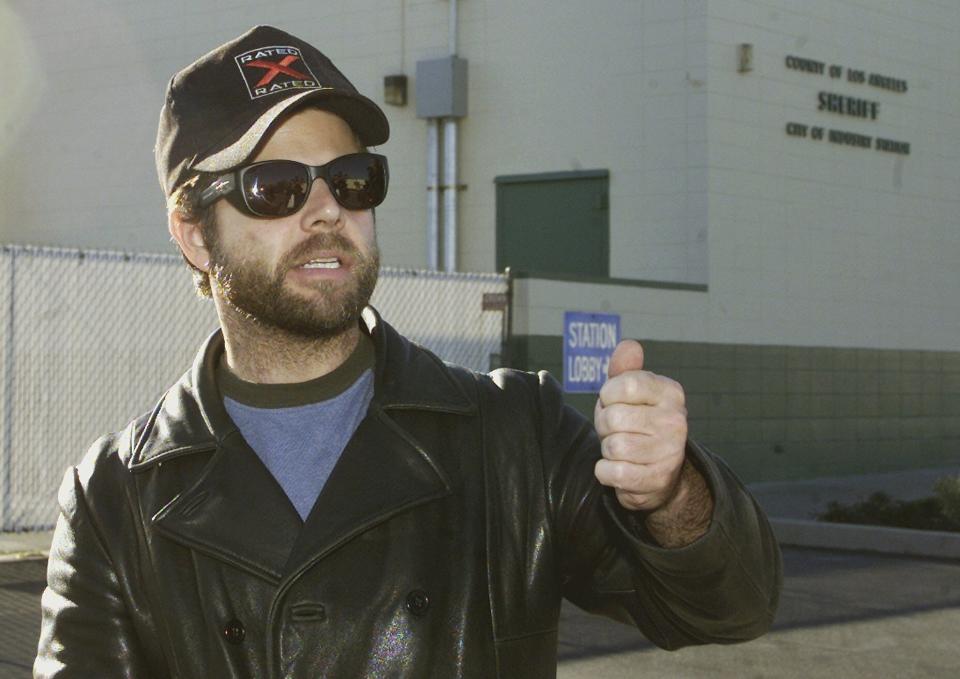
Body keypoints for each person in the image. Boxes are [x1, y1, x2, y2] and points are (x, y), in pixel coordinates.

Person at [35, 25, 781, 679]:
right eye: (275, 186)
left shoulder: (515, 435)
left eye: (352, 180)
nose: (327, 209)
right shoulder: (112, 500)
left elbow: (726, 609)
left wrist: (672, 494)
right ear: (195, 233)